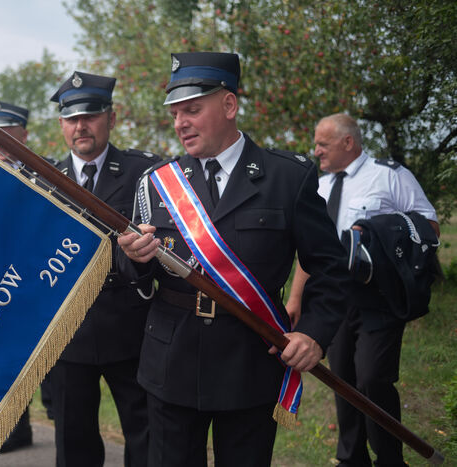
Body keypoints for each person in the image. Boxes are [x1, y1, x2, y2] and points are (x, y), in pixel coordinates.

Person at [116, 52, 351, 466]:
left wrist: (314, 333)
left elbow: (330, 267)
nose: (180, 123)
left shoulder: (288, 177)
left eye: (192, 110)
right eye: (175, 113)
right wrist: (135, 259)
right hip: (171, 362)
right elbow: (134, 273)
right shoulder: (156, 183)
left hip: (250, 362)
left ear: (229, 105)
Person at [286, 113, 439, 467]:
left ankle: (389, 458)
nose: (316, 151)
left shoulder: (389, 176)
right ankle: (351, 459)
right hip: (335, 298)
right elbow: (309, 254)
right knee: (341, 380)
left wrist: (380, 233)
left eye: (323, 144)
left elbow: (429, 227)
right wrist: (296, 299)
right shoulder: (319, 187)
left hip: (380, 297)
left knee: (373, 378)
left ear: (348, 142)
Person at [47, 71, 157, 467]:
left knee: (143, 432)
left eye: (91, 116)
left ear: (111, 118)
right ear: (62, 125)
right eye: (72, 119)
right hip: (68, 328)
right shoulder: (42, 177)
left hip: (130, 325)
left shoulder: (144, 172)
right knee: (73, 436)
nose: (81, 126)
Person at [0, 100, 36, 453]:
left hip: (27, 278)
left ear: (23, 135)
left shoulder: (40, 175)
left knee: (22, 358)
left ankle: (21, 428)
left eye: (5, 133)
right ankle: (5, 428)